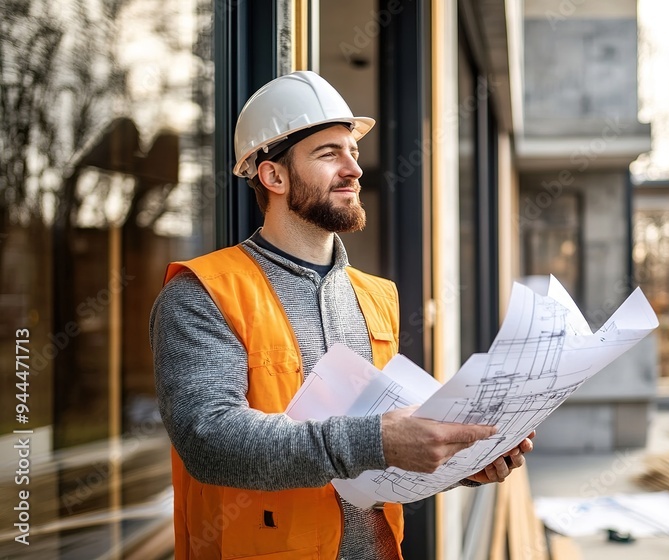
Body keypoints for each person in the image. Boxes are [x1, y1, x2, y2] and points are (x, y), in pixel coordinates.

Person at [150, 71, 533, 560]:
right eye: (330, 154)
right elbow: (211, 440)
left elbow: (378, 467)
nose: (354, 168)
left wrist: (458, 458)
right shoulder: (203, 292)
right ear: (274, 176)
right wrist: (380, 441)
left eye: (352, 151)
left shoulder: (375, 297)